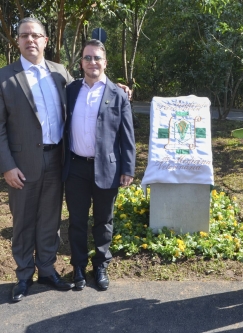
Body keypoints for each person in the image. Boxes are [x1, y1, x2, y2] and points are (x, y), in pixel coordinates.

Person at [0, 17, 75, 302]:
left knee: (50, 219)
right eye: (24, 36)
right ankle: (22, 276)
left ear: (45, 40)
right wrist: (6, 165)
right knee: (22, 222)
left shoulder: (59, 72)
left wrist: (116, 90)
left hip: (56, 159)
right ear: (17, 41)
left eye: (35, 35)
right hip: (21, 165)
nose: (30, 40)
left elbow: (84, 95)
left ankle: (46, 269)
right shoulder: (5, 77)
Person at [62, 39, 136, 291]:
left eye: (96, 58)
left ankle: (101, 265)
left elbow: (127, 135)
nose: (92, 62)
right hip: (76, 168)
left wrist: (128, 168)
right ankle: (79, 267)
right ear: (81, 62)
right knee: (77, 221)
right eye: (87, 58)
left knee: (104, 221)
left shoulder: (118, 94)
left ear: (105, 62)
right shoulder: (70, 90)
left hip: (107, 167)